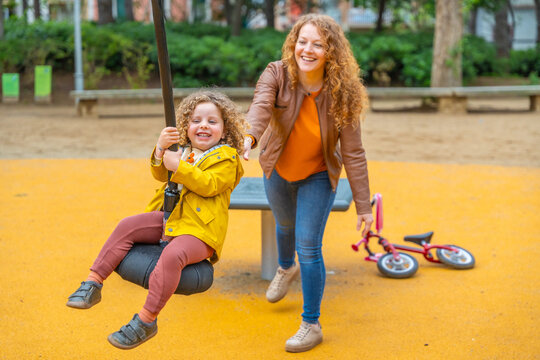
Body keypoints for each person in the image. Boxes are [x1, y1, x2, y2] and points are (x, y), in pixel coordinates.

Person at [66, 90, 247, 350]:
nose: (203, 126)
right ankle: (93, 283)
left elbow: (209, 185)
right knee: (127, 225)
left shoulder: (227, 158)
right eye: (196, 121)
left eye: (212, 121)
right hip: (170, 216)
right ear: (186, 126)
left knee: (172, 255)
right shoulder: (182, 150)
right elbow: (160, 174)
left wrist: (180, 167)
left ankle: (146, 320)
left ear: (225, 128)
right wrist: (161, 148)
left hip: (200, 231)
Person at [243, 14, 374, 353]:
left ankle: (311, 324)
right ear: (293, 43)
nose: (308, 49)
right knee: (284, 225)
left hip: (318, 174)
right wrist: (249, 136)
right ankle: (285, 268)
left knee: (309, 247)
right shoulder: (277, 73)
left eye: (318, 44)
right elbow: (259, 107)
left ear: (331, 51)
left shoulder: (343, 93)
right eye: (303, 41)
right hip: (278, 169)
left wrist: (363, 206)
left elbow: (354, 152)